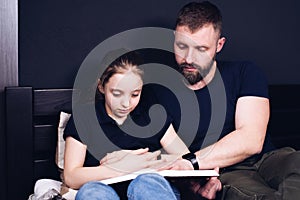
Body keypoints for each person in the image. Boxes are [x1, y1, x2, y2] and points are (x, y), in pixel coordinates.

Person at [155, 1, 300, 199]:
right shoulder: (160, 93)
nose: (189, 58)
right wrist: (196, 179)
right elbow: (168, 154)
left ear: (219, 45)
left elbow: (251, 139)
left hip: (269, 159)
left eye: (201, 49)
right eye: (182, 46)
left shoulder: (243, 72)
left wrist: (192, 162)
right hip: (224, 172)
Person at [63, 50, 189, 200]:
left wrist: (142, 164)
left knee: (145, 183)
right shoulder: (84, 117)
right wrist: (122, 167)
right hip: (102, 188)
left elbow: (185, 158)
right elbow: (71, 176)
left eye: (135, 94)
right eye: (117, 94)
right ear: (101, 87)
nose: (126, 103)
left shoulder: (152, 115)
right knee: (92, 192)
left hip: (149, 186)